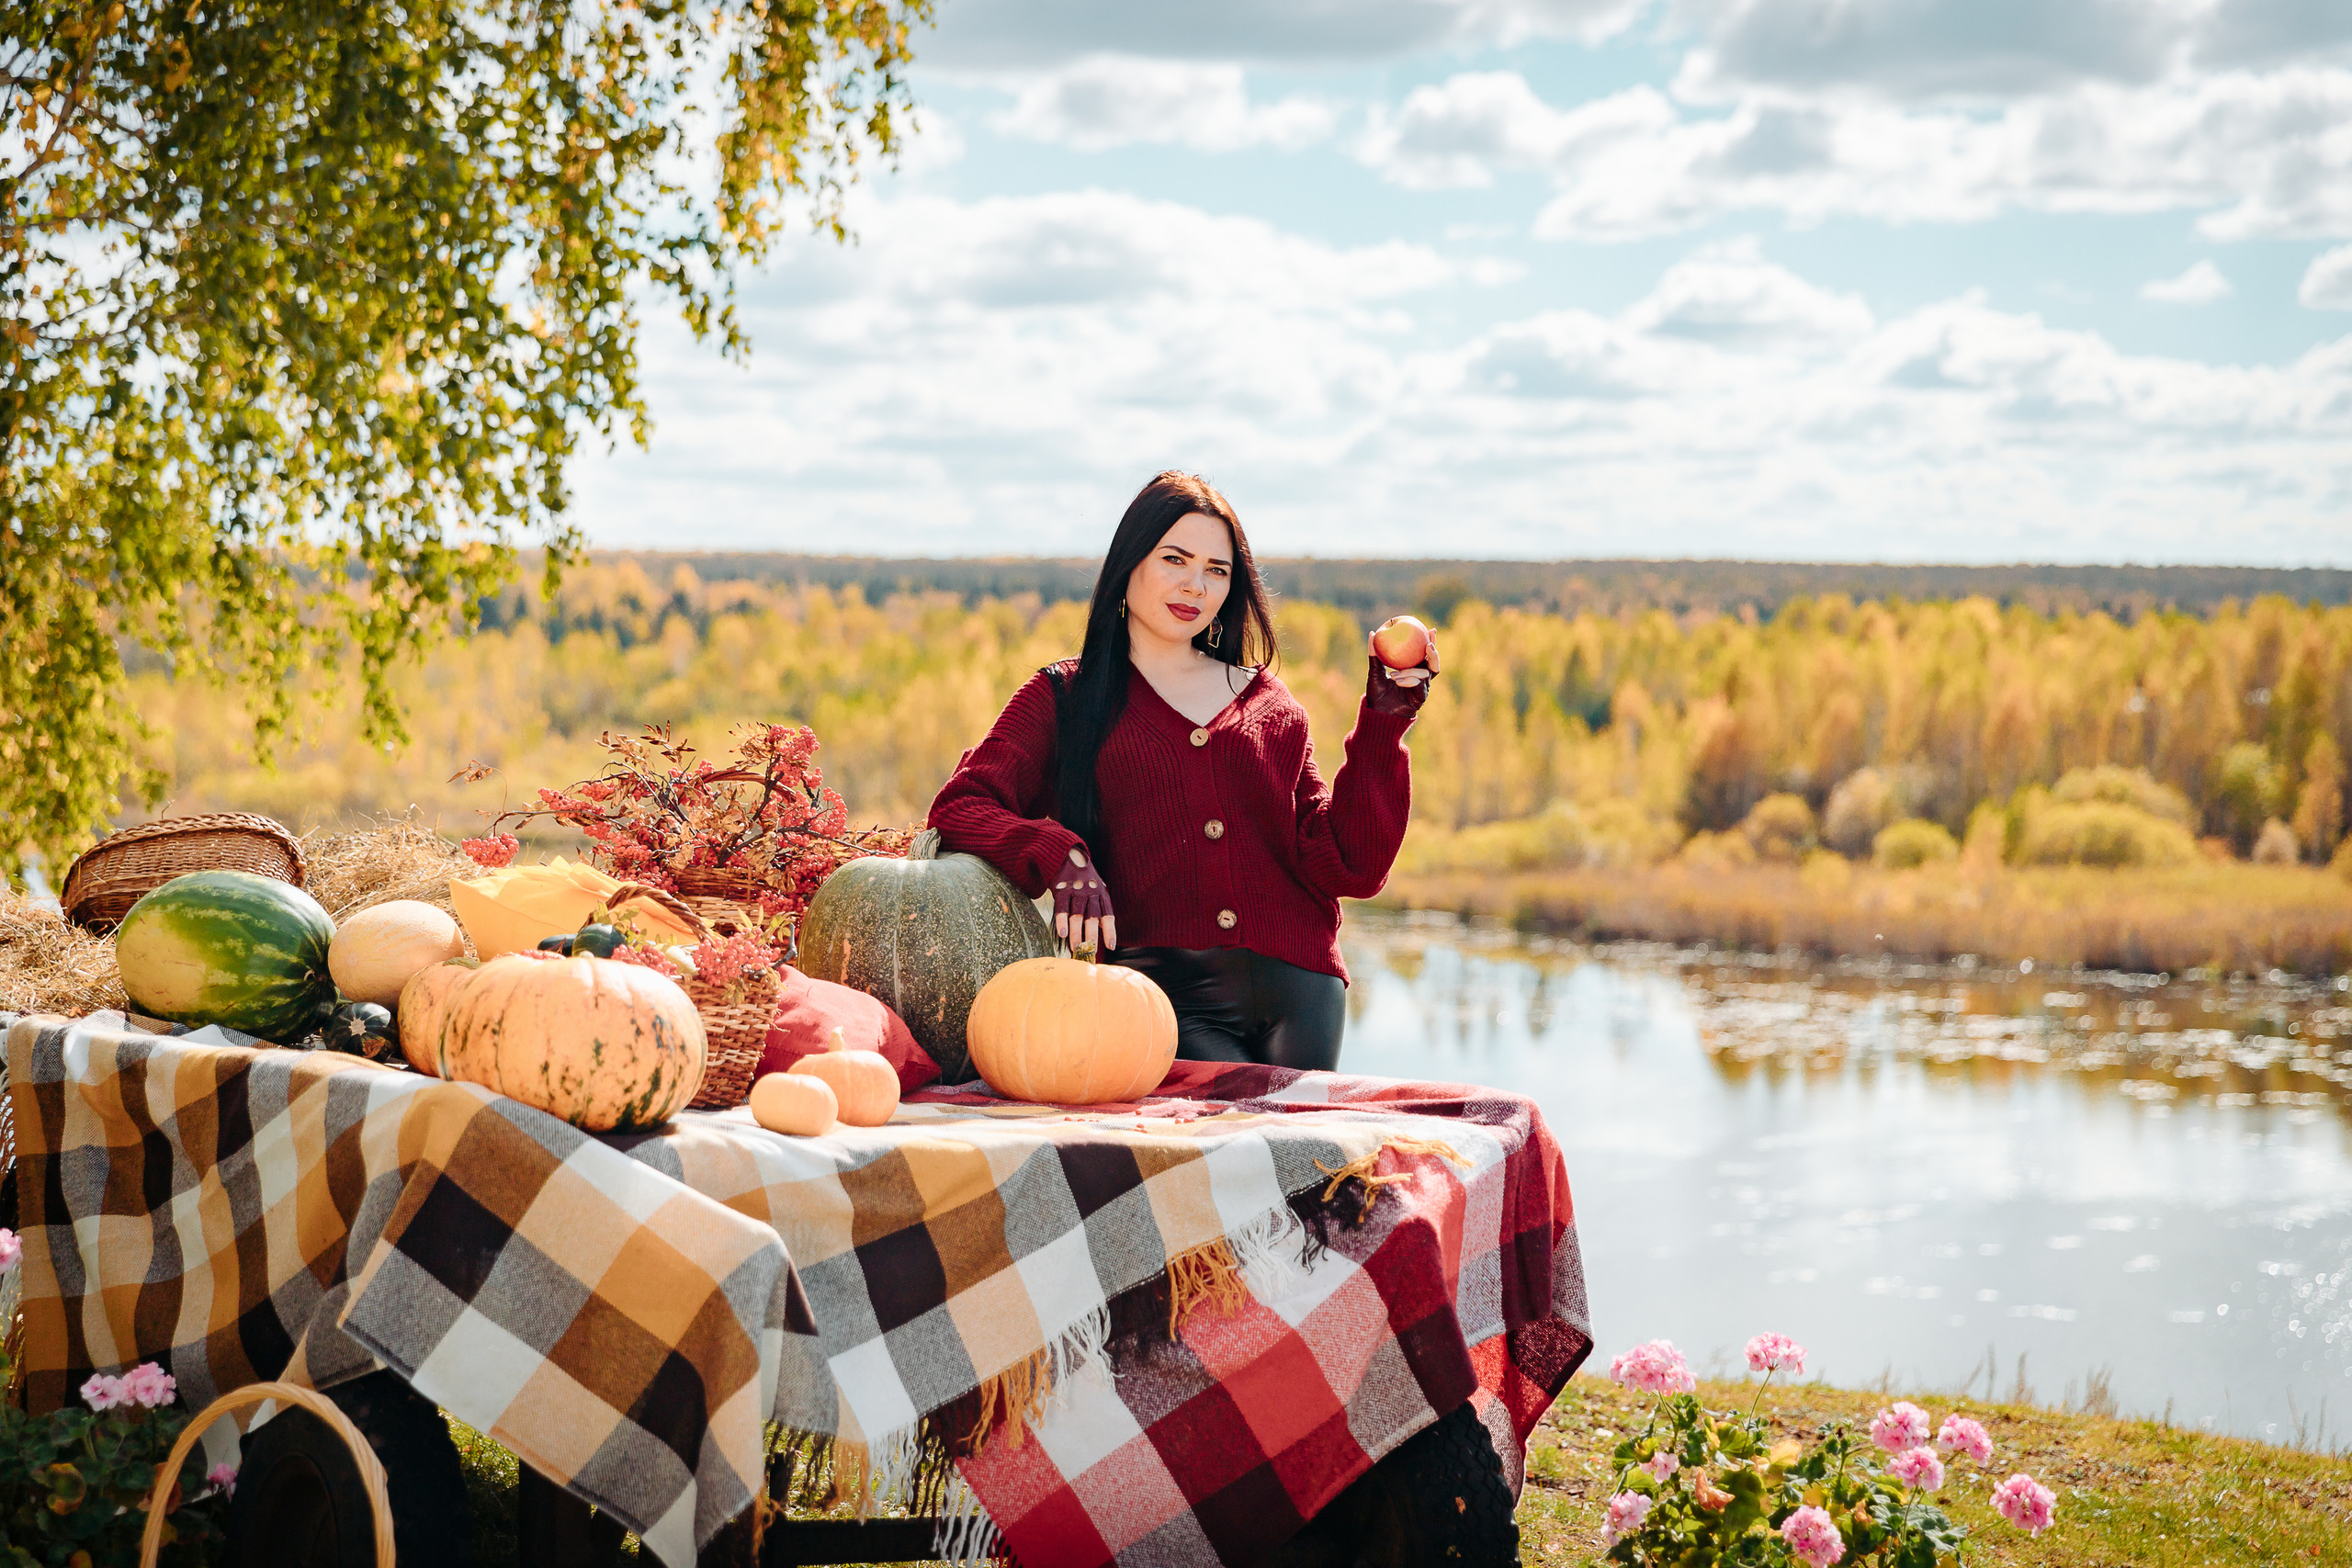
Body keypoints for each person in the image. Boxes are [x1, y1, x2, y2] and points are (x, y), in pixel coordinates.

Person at [926, 470, 1437, 1071]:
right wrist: (1062, 854)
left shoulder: (1269, 703)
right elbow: (960, 807)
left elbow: (1349, 862)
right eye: (1175, 559)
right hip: (1158, 1003)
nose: (1195, 585)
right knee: (1222, 1154)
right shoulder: (1064, 695)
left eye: (1216, 571)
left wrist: (1385, 721)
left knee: (1301, 1160)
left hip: (1302, 991)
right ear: (1130, 563)